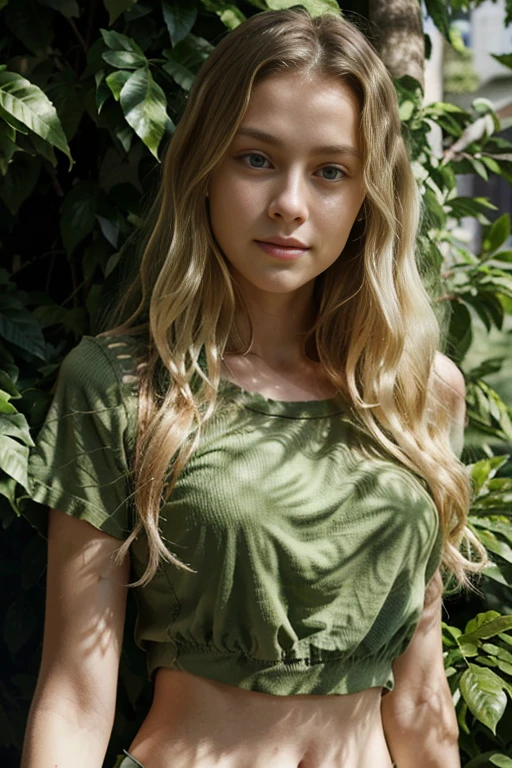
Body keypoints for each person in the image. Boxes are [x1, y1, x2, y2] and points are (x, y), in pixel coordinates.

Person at [20, 8, 486, 768]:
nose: (290, 205)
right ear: (205, 164)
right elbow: (75, 691)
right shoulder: (123, 386)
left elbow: (421, 695)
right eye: (257, 159)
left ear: (369, 194)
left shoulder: (419, 392)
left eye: (331, 171)